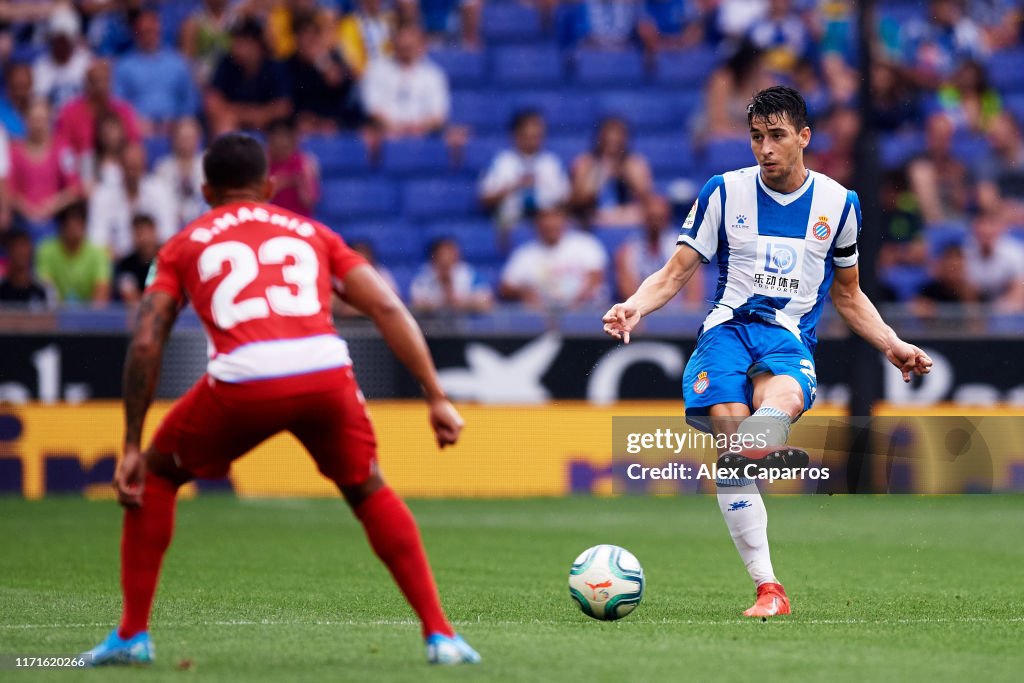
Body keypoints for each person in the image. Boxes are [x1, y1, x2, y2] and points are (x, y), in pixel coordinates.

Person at [81, 132, 480, 666]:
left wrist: (130, 441)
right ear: (269, 186)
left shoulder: (181, 244)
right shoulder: (313, 231)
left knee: (155, 475)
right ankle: (442, 636)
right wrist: (436, 395)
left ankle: (131, 637)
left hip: (245, 379)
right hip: (326, 373)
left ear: (205, 189)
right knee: (367, 488)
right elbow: (386, 306)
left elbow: (148, 339)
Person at [602, 86, 932, 617]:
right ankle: (769, 589)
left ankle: (764, 436)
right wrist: (634, 305)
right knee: (732, 454)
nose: (765, 148)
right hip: (726, 331)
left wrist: (891, 342)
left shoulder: (838, 204)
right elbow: (674, 273)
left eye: (777, 136)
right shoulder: (723, 192)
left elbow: (847, 293)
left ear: (804, 137)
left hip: (788, 336)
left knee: (777, 401)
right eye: (756, 137)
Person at [479, 109, 569, 233]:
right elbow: (485, 198)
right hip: (511, 221)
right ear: (516, 135)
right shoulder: (502, 161)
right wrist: (514, 186)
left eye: (537, 136)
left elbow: (565, 199)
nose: (534, 140)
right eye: (529, 136)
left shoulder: (551, 163)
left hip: (545, 223)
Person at [500, 206, 608, 309]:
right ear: (537, 224)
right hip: (541, 318)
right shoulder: (524, 254)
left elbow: (596, 278)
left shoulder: (585, 244)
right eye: (545, 219)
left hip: (583, 313)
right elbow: (506, 287)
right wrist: (523, 291)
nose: (550, 224)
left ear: (565, 221)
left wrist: (577, 302)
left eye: (555, 218)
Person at [113, 7, 198, 132]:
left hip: (174, 124)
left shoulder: (177, 62)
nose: (149, 35)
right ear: (136, 32)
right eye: (144, 31)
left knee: (189, 127)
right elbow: (118, 102)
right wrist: (134, 120)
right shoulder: (124, 66)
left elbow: (189, 100)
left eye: (152, 30)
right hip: (139, 124)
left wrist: (178, 121)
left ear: (159, 30)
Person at [205, 17, 292, 135]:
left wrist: (260, 115)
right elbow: (212, 103)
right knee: (225, 122)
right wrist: (248, 115)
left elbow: (283, 107)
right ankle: (226, 153)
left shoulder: (275, 67)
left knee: (282, 130)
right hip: (234, 122)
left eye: (240, 42)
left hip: (268, 127)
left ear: (256, 46)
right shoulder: (227, 62)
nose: (234, 47)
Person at [88, 143, 177, 257]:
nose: (132, 173)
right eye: (128, 167)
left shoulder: (160, 191)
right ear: (120, 166)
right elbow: (96, 240)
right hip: (117, 262)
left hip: (152, 258)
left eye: (136, 167)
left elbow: (168, 234)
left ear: (143, 166)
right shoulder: (103, 195)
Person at [361, 24, 449, 139]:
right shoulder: (376, 70)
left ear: (421, 46)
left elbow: (438, 115)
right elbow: (372, 108)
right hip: (385, 135)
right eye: (402, 47)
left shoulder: (434, 75)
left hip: (422, 137)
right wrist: (395, 127)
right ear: (394, 44)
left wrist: (417, 127)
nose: (406, 51)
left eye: (410, 47)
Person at [615, 194, 704, 307]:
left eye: (660, 218)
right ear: (644, 218)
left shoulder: (685, 248)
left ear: (667, 218)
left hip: (677, 315)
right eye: (652, 218)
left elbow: (694, 293)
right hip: (641, 314)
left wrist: (684, 321)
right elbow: (629, 293)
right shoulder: (628, 251)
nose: (655, 223)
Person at [7, 98, 81, 232]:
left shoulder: (62, 149)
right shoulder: (13, 151)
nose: (37, 125)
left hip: (54, 222)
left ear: (50, 120)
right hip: (20, 223)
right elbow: (8, 189)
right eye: (33, 119)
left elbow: (74, 189)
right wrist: (28, 209)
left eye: (42, 119)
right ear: (25, 120)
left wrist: (49, 207)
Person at [569, 117, 653, 227]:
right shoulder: (584, 163)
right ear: (600, 138)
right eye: (608, 139)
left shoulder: (635, 163)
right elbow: (576, 202)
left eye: (617, 140)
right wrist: (600, 175)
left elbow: (648, 200)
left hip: (628, 219)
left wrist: (628, 176)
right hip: (593, 219)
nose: (612, 143)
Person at [287, 13, 362, 134]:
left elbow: (336, 81)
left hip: (332, 120)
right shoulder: (289, 63)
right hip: (300, 121)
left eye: (312, 35)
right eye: (303, 35)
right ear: (295, 38)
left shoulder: (331, 58)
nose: (307, 41)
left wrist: (321, 61)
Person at [35, 200, 111, 305]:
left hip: (89, 318)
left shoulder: (98, 254)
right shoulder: (46, 250)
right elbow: (46, 289)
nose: (74, 229)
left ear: (85, 226)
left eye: (78, 224)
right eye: (69, 224)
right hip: (55, 316)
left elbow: (101, 296)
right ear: (61, 226)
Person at [410, 237, 494, 314]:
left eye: (450, 252)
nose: (447, 257)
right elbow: (417, 304)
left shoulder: (469, 273)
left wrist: (458, 303)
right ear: (434, 255)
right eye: (443, 253)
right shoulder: (423, 276)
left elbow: (486, 302)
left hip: (466, 324)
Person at [153, 118, 207, 228]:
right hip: (171, 222)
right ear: (174, 139)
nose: (186, 142)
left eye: (190, 137)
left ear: (198, 139)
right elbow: (160, 201)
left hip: (202, 221)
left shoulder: (206, 163)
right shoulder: (163, 168)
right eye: (182, 138)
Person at [267, 118, 320, 217]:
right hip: (271, 222)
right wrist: (281, 183)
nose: (281, 141)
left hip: (298, 222)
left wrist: (301, 181)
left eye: (285, 136)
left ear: (294, 139)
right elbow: (258, 200)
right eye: (276, 136)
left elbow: (309, 201)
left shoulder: (305, 163)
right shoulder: (263, 162)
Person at [114, 213, 160, 305]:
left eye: (145, 232)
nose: (143, 238)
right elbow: (129, 293)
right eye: (138, 233)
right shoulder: (126, 264)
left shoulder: (167, 259)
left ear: (154, 232)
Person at [0, 229, 51, 308]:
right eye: (16, 246)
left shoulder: (43, 290)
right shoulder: (1, 289)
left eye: (24, 246)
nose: (20, 252)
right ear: (8, 252)